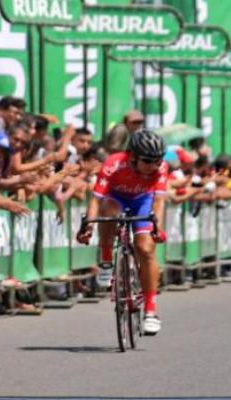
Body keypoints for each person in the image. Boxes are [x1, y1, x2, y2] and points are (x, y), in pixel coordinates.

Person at [76, 130, 168, 336]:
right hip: (115, 197)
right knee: (108, 212)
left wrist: (157, 228)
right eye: (148, 160)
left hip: (143, 200)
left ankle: (151, 311)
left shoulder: (160, 168)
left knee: (145, 248)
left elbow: (160, 201)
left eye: (158, 160)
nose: (154, 165)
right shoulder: (113, 163)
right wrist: (88, 226)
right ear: (133, 156)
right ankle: (107, 261)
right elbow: (95, 199)